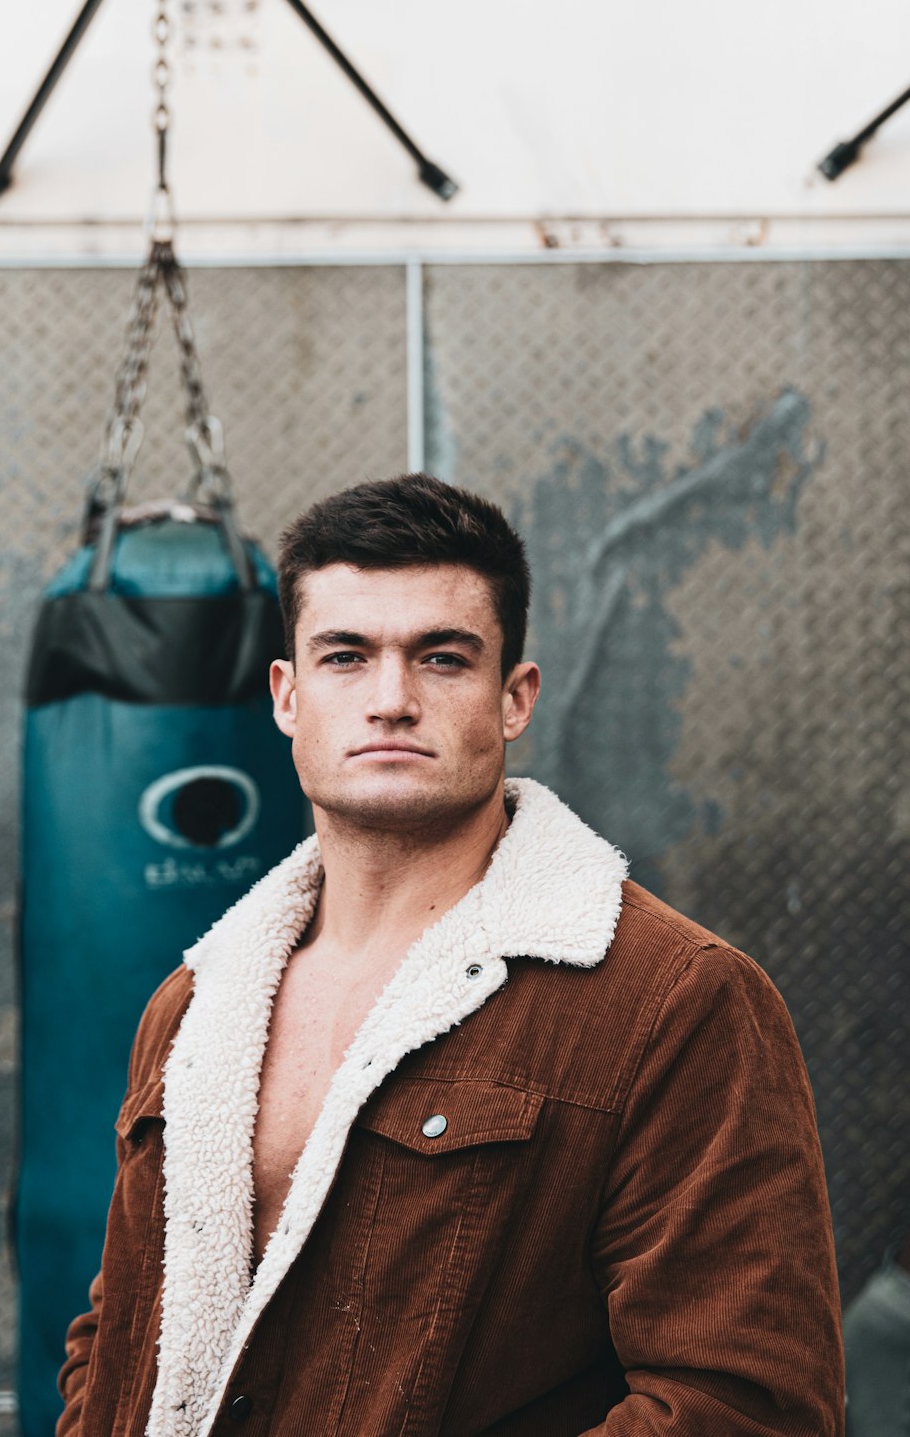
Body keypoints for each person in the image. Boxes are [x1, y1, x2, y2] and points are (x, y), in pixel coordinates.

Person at [58, 474, 844, 1436]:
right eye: (346, 656)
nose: (391, 700)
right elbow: (118, 1331)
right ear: (286, 697)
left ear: (514, 698)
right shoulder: (196, 1003)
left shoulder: (676, 1004)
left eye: (441, 658)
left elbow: (743, 1407)